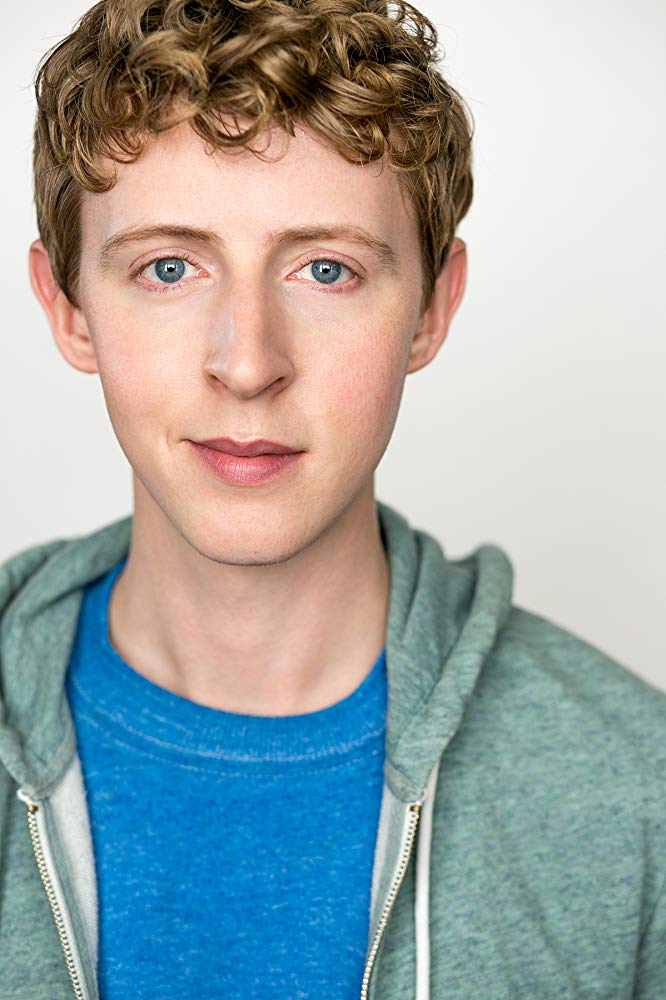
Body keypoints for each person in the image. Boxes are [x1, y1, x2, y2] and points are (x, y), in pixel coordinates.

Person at [0, 1, 664, 997]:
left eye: (326, 269)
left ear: (432, 307)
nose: (248, 363)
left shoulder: (637, 791)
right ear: (70, 310)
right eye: (168, 267)